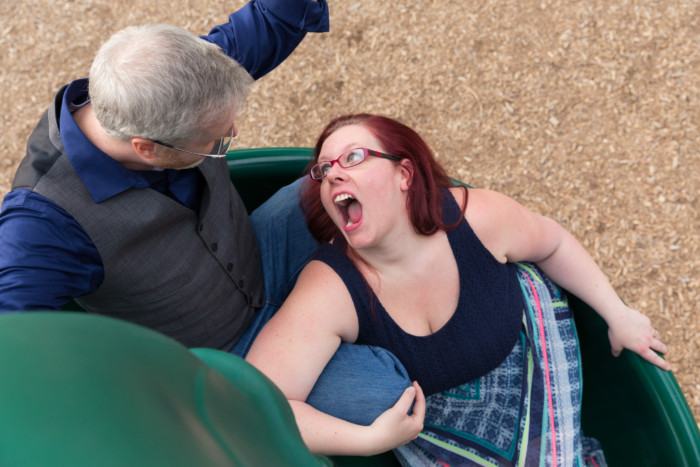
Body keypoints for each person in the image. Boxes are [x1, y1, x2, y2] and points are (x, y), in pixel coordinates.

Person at [245, 113, 671, 464]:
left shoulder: (477, 219)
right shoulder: (331, 287)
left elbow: (553, 241)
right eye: (323, 170)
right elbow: (260, 403)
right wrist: (369, 439)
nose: (333, 175)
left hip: (529, 363)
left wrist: (618, 313)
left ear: (404, 173)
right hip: (444, 423)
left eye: (353, 157)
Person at [0, 0, 328, 352]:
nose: (228, 133)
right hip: (225, 359)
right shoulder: (43, 224)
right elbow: (12, 346)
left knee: (363, 178)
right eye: (213, 141)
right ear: (147, 148)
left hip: (262, 254)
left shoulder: (180, 84)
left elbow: (273, 17)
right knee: (384, 386)